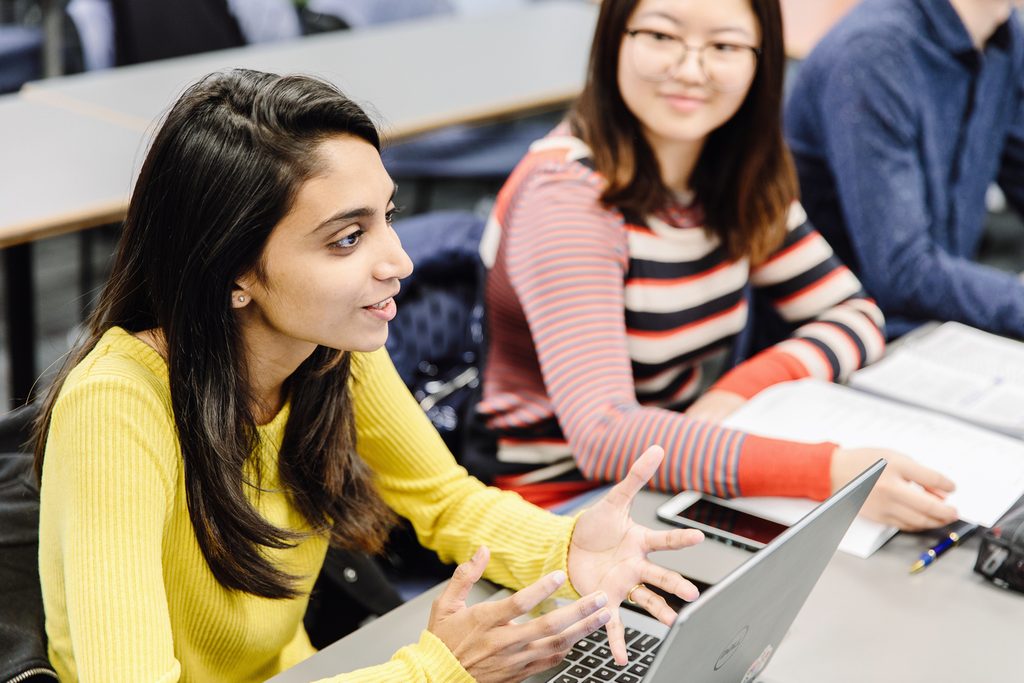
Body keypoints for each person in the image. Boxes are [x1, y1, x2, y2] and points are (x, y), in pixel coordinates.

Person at [32, 68, 705, 682]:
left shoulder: (328, 347)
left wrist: (565, 550)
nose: (401, 261)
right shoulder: (117, 406)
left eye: (388, 216)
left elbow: (444, 499)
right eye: (347, 239)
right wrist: (434, 671)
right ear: (233, 269)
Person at [469, 0, 960, 530]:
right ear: (614, 38)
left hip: (673, 468)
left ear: (760, 60)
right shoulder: (569, 198)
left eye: (724, 46)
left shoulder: (733, 171)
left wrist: (734, 391)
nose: (690, 70)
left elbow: (855, 314)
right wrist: (830, 472)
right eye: (661, 36)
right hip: (565, 507)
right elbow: (604, 436)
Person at [785, 0, 1024, 339]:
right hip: (844, 348)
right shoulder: (873, 53)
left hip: (935, 328)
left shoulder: (1002, 35)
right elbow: (902, 273)